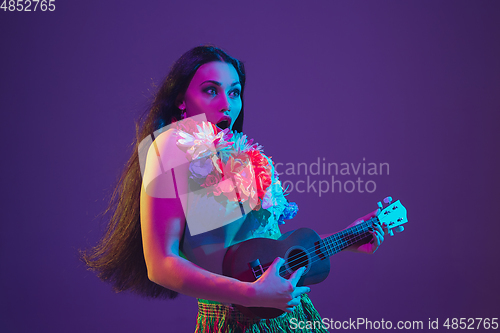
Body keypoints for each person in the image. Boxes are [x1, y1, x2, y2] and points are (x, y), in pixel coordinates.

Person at [81, 45, 402, 332]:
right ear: (181, 99)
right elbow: (161, 264)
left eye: (234, 93)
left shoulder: (249, 156)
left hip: (297, 319)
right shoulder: (171, 146)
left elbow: (270, 252)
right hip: (236, 322)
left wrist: (350, 238)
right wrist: (251, 293)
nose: (226, 105)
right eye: (211, 91)